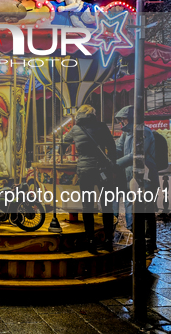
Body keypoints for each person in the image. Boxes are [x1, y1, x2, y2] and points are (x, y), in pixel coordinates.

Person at [63, 105, 116, 254]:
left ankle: (91, 242)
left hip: (85, 170)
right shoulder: (102, 126)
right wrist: (111, 163)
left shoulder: (75, 129)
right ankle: (108, 241)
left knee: (87, 205)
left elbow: (63, 142)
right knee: (107, 205)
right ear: (93, 114)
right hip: (102, 169)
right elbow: (111, 147)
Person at [114, 105, 160, 253]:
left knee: (146, 211)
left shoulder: (143, 132)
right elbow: (119, 149)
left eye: (124, 119)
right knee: (131, 208)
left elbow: (136, 154)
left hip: (145, 177)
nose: (122, 122)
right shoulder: (126, 134)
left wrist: (116, 164)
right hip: (130, 177)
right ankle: (138, 238)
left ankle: (149, 243)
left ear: (131, 118)